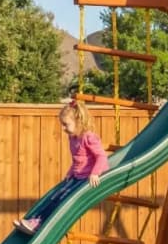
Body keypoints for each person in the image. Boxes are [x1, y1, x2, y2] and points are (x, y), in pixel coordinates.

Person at [14, 100, 109, 234]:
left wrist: (95, 173)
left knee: (62, 200)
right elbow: (77, 159)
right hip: (77, 176)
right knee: (55, 196)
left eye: (66, 124)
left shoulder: (89, 137)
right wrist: (71, 172)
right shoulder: (73, 138)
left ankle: (39, 223)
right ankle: (35, 220)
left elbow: (101, 156)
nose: (63, 128)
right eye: (62, 124)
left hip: (86, 178)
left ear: (79, 121)